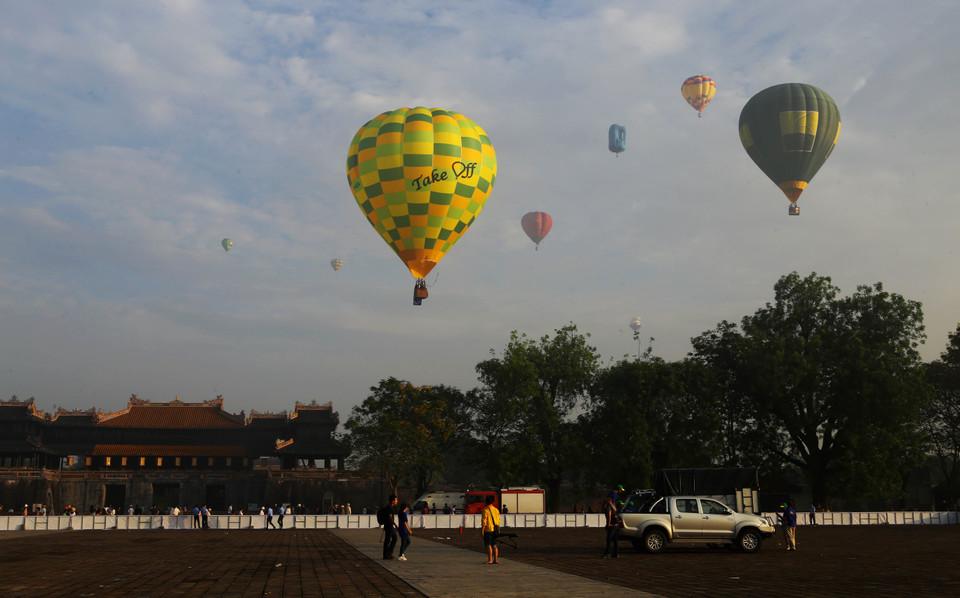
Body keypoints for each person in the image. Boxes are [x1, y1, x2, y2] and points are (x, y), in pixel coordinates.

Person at [481, 495, 500, 564]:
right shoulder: (496, 510)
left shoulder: (485, 510)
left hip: (488, 529)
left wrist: (482, 530)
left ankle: (490, 559)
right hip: (495, 529)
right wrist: (498, 530)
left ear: (486, 502)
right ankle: (496, 559)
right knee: (494, 544)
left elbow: (484, 522)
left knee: (488, 544)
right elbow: (498, 521)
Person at [602, 491, 620, 558]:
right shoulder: (614, 507)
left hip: (612, 525)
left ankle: (607, 553)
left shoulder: (609, 507)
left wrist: (608, 524)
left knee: (609, 539)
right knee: (615, 540)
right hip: (616, 525)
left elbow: (609, 516)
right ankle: (616, 553)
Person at [380, 495, 398, 560]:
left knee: (393, 538)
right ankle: (386, 555)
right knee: (388, 540)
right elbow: (390, 517)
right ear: (393, 501)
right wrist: (395, 525)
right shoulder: (390, 508)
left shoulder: (389, 507)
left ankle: (388, 553)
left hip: (388, 526)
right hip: (389, 526)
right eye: (396, 500)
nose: (397, 501)